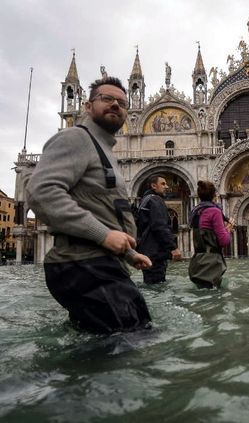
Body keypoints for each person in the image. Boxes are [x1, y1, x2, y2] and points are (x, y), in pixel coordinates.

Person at [26, 76, 154, 334]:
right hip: (85, 265)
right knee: (129, 345)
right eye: (107, 99)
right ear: (87, 105)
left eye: (121, 102)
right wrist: (104, 235)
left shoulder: (103, 149)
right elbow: (41, 191)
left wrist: (129, 254)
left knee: (111, 343)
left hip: (98, 265)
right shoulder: (76, 138)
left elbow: (105, 210)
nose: (115, 105)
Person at [135, 175, 182, 284]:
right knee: (157, 286)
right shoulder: (155, 200)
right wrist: (173, 247)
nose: (167, 186)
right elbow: (160, 226)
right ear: (153, 186)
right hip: (155, 254)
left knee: (150, 284)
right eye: (163, 184)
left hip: (147, 253)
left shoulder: (145, 200)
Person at [188, 180, 234, 289]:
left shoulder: (195, 212)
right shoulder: (214, 211)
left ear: (199, 196)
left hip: (197, 262)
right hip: (211, 264)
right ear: (214, 195)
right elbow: (224, 241)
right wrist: (229, 228)